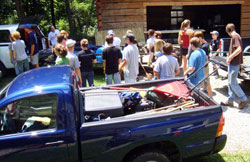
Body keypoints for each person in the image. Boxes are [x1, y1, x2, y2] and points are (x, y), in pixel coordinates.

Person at [221, 23, 248, 109]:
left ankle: (243, 99)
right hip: (233, 62)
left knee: (233, 82)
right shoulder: (236, 36)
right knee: (230, 82)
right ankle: (230, 100)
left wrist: (230, 57)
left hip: (234, 63)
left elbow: (239, 49)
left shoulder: (235, 36)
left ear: (228, 31)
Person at [194, 31, 213, 98]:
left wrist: (201, 66)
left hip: (204, 66)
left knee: (206, 79)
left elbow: (206, 58)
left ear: (200, 37)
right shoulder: (205, 44)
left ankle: (210, 96)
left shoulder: (204, 46)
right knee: (205, 79)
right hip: (204, 65)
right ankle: (205, 88)